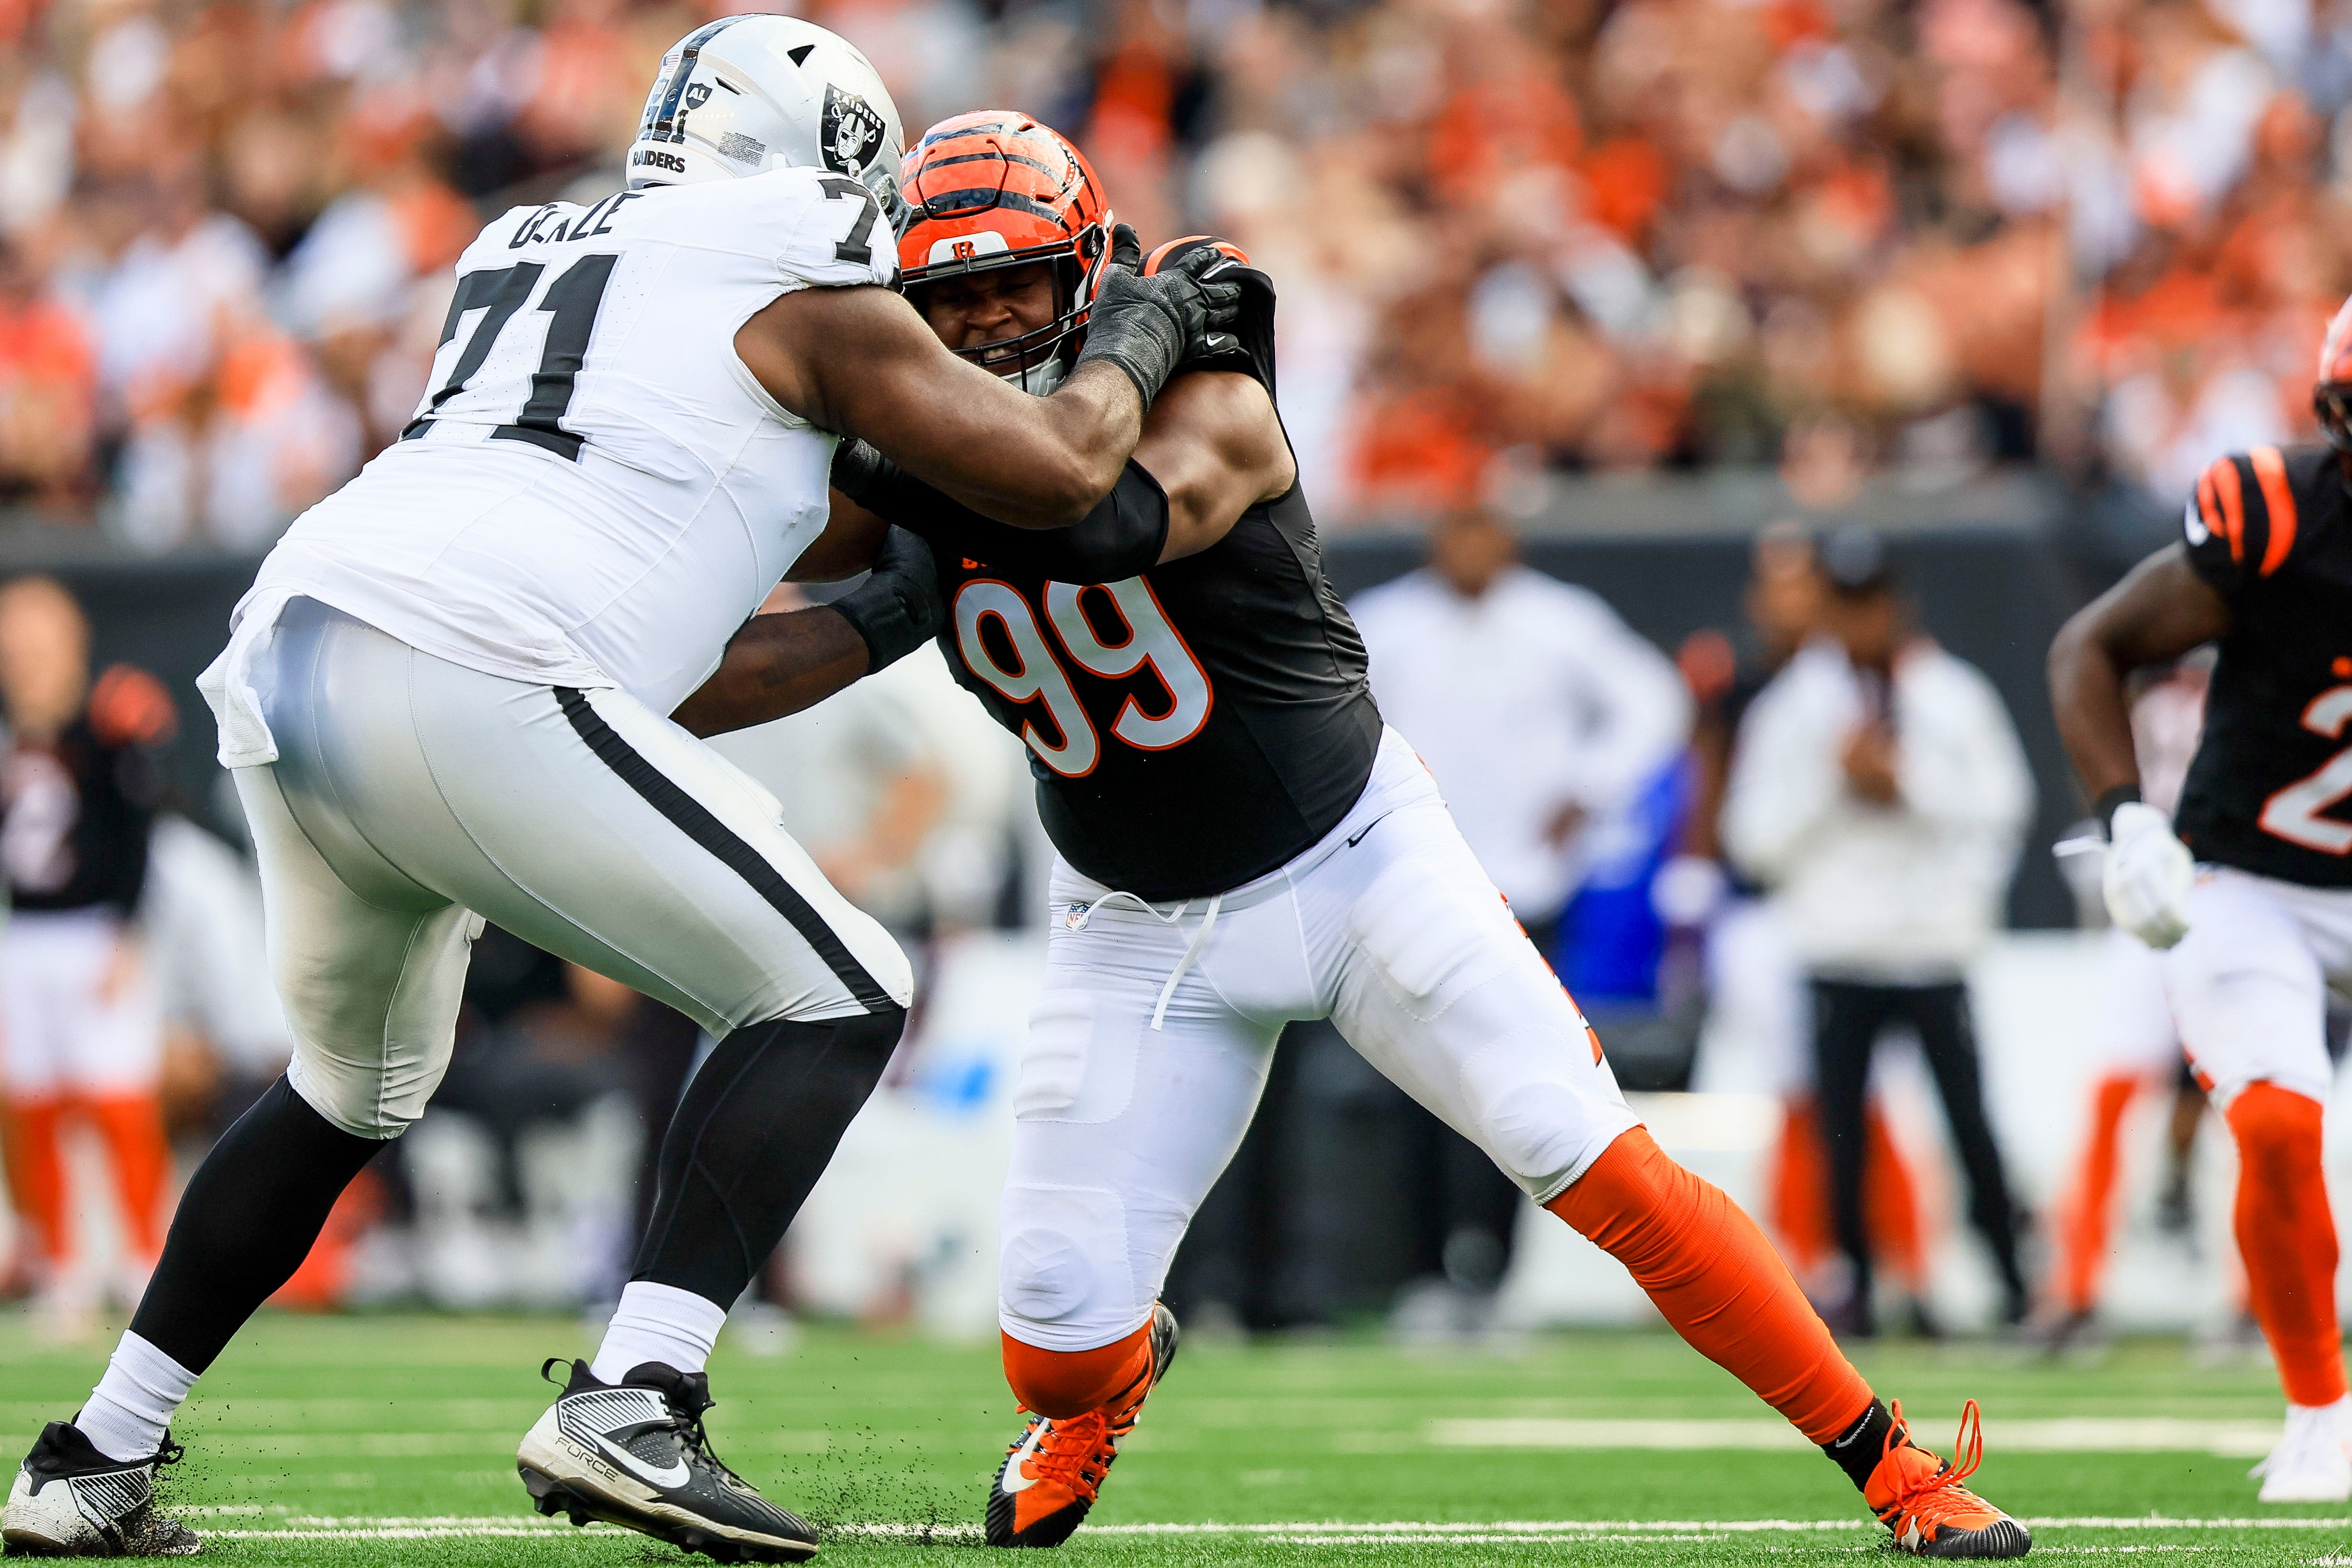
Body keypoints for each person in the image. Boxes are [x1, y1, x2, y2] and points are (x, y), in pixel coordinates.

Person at [1, 17, 1240, 1562]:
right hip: (467, 668)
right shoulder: (796, 264)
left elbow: (681, 628)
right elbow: (1066, 480)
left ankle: (92, 1457)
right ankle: (635, 1395)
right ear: (833, 165)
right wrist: (1143, 322)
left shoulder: (528, 238)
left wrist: (895, 593)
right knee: (841, 984)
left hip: (297, 652)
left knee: (347, 1091)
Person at [756, 111, 2030, 1558]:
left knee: (1589, 1160)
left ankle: (1894, 1467)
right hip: (1131, 920)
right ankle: (1100, 1391)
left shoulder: (1202, 396)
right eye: (951, 297)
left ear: (1090, 275)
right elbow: (822, 599)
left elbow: (1088, 514)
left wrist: (883, 464)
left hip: (1352, 863)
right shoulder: (930, 464)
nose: (985, 322)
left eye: (1017, 285)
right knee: (1048, 1341)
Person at [2045, 293, 2352, 1503]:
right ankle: (2318, 1413)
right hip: (2253, 870)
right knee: (2279, 1127)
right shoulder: (2277, 514)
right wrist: (2124, 813)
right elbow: (2089, 645)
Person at [1723, 527, 2035, 1336]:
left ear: (1896, 605)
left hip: (1932, 948)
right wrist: (1836, 785)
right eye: (1846, 604)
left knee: (1970, 1124)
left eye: (1872, 604)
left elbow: (2004, 810)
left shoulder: (1951, 696)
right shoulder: (1792, 709)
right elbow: (1750, 838)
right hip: (1838, 949)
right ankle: (1854, 1288)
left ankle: (2011, 1283)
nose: (1861, 623)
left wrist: (1909, 786)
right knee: (1841, 1136)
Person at [0, 578, 175, 1330]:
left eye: (39, 639)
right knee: (31, 1107)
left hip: (94, 931)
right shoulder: (13, 731)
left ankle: (145, 1268)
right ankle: (60, 1268)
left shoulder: (107, 722)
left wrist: (129, 932)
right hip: (23, 935)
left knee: (118, 1099)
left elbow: (143, 835)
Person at [2043, 658, 2209, 1351]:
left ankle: (2252, 1299)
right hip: (2154, 911)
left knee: (2252, 1105)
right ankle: (2075, 1288)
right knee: (2112, 1100)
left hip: (2235, 902)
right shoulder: (2144, 689)